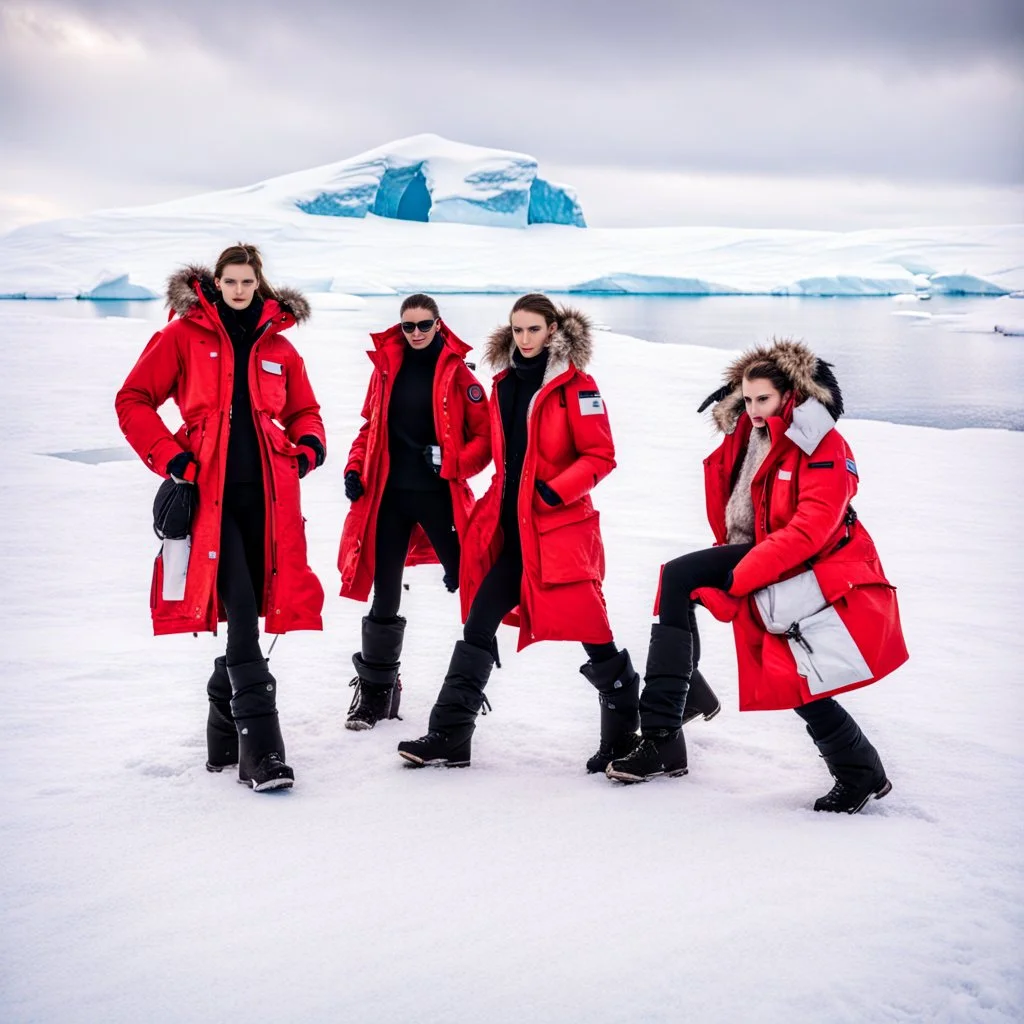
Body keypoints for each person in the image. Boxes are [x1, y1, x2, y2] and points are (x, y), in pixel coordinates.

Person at [606, 339, 909, 813]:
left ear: (792, 394)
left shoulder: (822, 444)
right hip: (757, 552)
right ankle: (666, 729)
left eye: (763, 399)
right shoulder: (753, 432)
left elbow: (811, 528)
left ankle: (860, 772)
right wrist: (737, 408)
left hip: (808, 568)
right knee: (678, 581)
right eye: (746, 400)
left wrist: (742, 575)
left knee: (794, 675)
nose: (752, 410)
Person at [397, 293, 639, 771]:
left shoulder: (577, 388)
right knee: (479, 620)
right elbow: (490, 448)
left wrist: (555, 491)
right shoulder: (504, 384)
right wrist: (454, 464)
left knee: (593, 631)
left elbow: (600, 456)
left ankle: (622, 736)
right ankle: (449, 735)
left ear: (553, 330)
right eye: (518, 330)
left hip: (559, 531)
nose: (524, 339)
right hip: (509, 530)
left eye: (533, 329)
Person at [115, 244, 326, 792]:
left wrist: (308, 447)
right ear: (215, 283)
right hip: (209, 498)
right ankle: (263, 752)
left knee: (251, 606)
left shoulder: (278, 344)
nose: (238, 290)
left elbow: (306, 410)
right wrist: (172, 456)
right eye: (229, 281)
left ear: (259, 284)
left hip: (270, 498)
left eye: (246, 282)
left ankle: (221, 729)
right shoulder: (182, 337)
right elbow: (133, 400)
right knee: (240, 606)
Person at [338, 295, 491, 729]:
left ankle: (464, 696)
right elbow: (369, 428)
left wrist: (453, 461)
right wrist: (354, 468)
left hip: (438, 498)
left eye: (425, 325)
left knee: (472, 585)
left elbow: (485, 440)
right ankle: (377, 695)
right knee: (384, 594)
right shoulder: (387, 367)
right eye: (409, 326)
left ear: (439, 325)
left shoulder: (459, 373)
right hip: (388, 498)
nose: (417, 333)